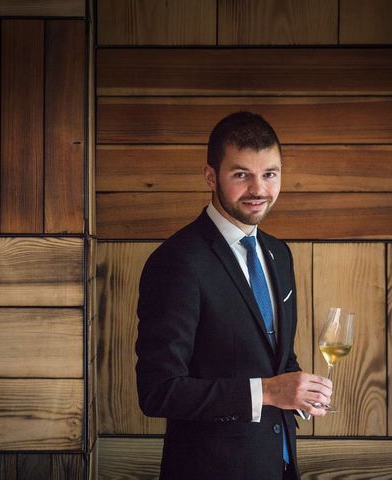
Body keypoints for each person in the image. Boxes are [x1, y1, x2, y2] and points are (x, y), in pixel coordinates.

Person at [135, 111, 333, 479]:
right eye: (241, 174)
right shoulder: (176, 262)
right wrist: (269, 393)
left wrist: (299, 391)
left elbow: (278, 357)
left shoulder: (278, 253)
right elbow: (158, 391)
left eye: (270, 174)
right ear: (211, 176)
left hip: (280, 463)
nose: (259, 189)